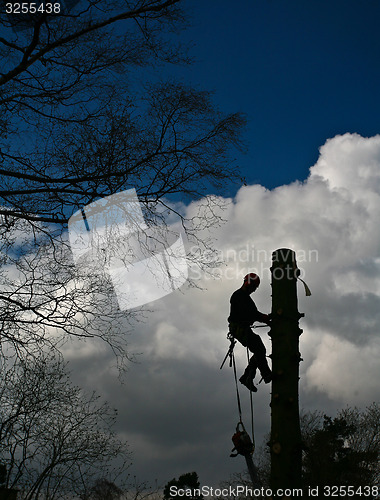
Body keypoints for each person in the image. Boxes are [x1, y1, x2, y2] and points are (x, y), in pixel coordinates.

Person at [228, 273, 272, 392]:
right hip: (239, 328)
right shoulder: (239, 296)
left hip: (242, 327)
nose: (253, 290)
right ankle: (265, 373)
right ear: (248, 283)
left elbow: (254, 313)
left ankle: (247, 376)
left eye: (255, 288)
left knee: (259, 350)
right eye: (253, 287)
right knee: (258, 346)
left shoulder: (245, 297)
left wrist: (267, 320)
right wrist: (266, 318)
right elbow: (251, 314)